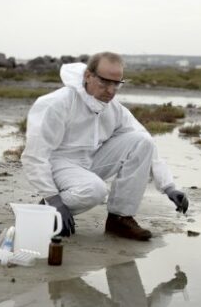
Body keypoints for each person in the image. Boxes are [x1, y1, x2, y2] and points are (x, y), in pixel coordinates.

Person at [21, 52, 188, 241]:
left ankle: (119, 219)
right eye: (104, 82)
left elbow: (144, 139)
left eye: (116, 83)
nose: (111, 90)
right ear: (88, 76)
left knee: (142, 141)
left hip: (88, 163)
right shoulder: (56, 103)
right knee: (96, 190)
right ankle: (44, 212)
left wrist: (169, 187)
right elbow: (34, 157)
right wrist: (53, 198)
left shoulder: (113, 108)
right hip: (58, 165)